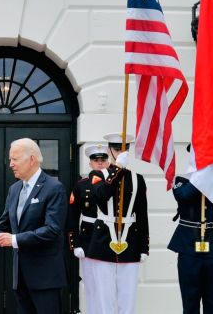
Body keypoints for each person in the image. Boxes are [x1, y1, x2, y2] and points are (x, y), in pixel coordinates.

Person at [0, 138, 67, 314]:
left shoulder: (54, 188)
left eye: (15, 159)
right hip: (20, 279)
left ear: (32, 159)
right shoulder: (14, 189)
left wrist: (15, 240)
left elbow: (52, 230)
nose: (11, 164)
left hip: (45, 279)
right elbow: (3, 226)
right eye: (10, 159)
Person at [84, 133, 148, 314]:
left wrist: (144, 246)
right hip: (103, 241)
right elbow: (102, 194)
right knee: (105, 297)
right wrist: (117, 168)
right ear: (110, 151)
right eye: (117, 149)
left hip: (130, 241)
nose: (121, 152)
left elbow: (142, 214)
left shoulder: (138, 179)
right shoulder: (98, 174)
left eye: (125, 149)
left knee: (128, 298)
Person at [168, 144, 213, 314]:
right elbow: (183, 196)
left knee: (212, 304)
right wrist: (202, 177)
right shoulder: (180, 181)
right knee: (190, 304)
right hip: (188, 249)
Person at [67, 143, 110, 314]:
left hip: (111, 237)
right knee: (91, 283)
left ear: (108, 161)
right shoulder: (81, 185)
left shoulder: (116, 183)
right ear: (90, 162)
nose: (100, 162)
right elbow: (72, 216)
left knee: (109, 284)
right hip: (89, 238)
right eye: (95, 159)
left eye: (103, 159)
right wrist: (75, 243)